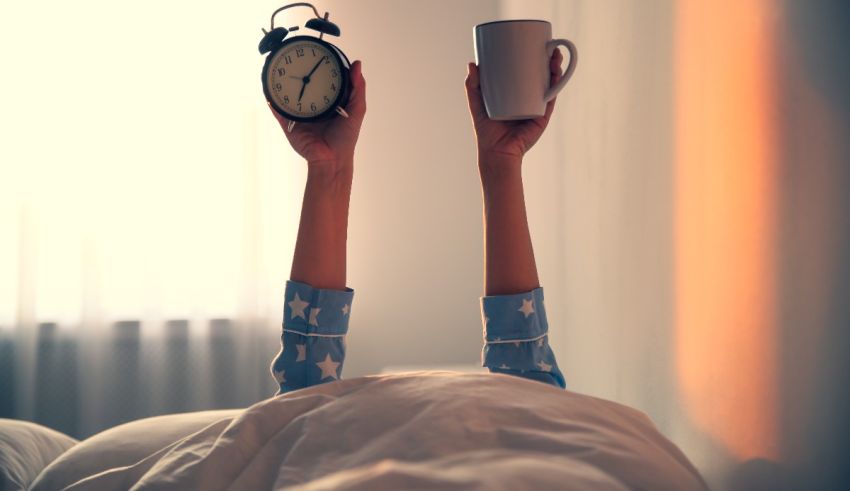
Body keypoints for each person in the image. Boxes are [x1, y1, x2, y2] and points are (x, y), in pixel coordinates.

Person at [268, 50, 567, 394]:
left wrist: (329, 169)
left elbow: (302, 396)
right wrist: (502, 162)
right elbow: (529, 390)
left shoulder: (310, 437)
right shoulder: (526, 432)